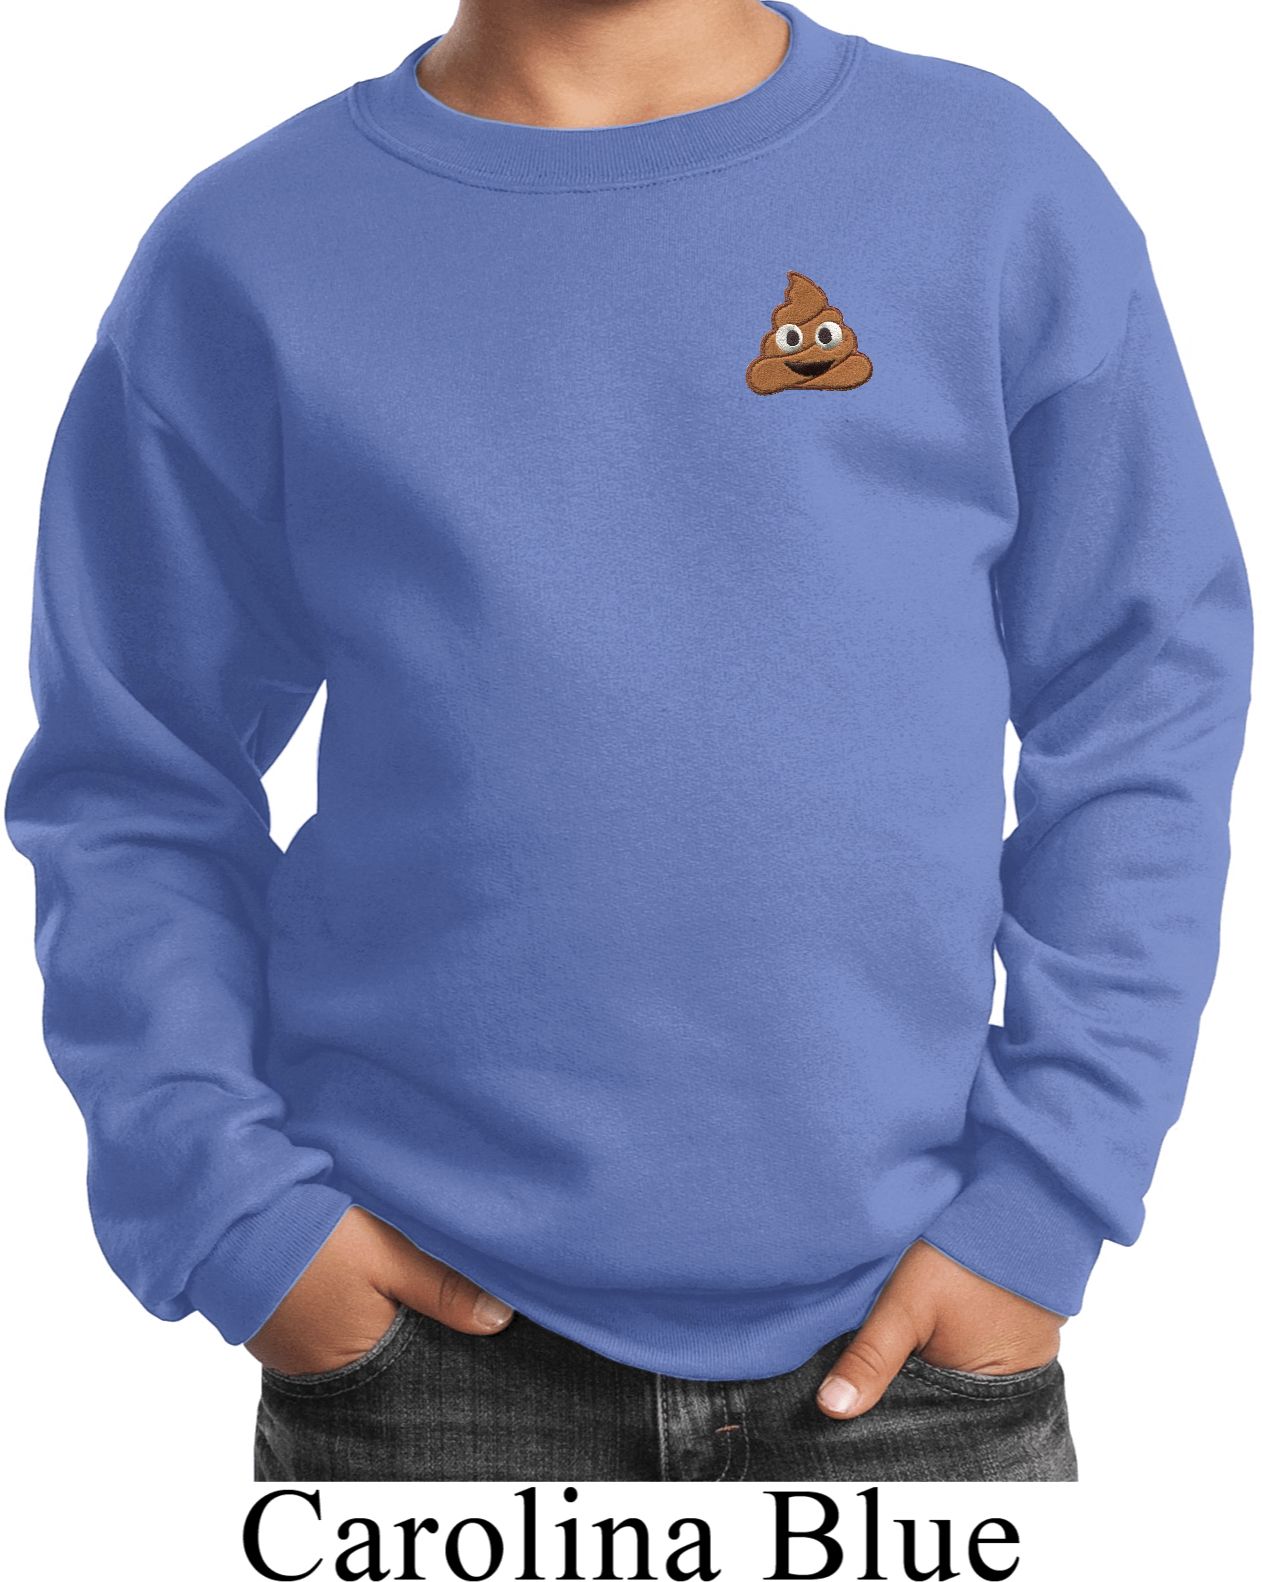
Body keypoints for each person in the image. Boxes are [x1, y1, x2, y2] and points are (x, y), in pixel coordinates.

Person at [7, 0, 1250, 1483]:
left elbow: (1143, 694)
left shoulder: (992, 183)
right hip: (419, 1355)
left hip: (921, 1351)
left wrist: (1046, 1196)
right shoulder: (244, 250)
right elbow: (134, 772)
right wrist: (230, 1213)